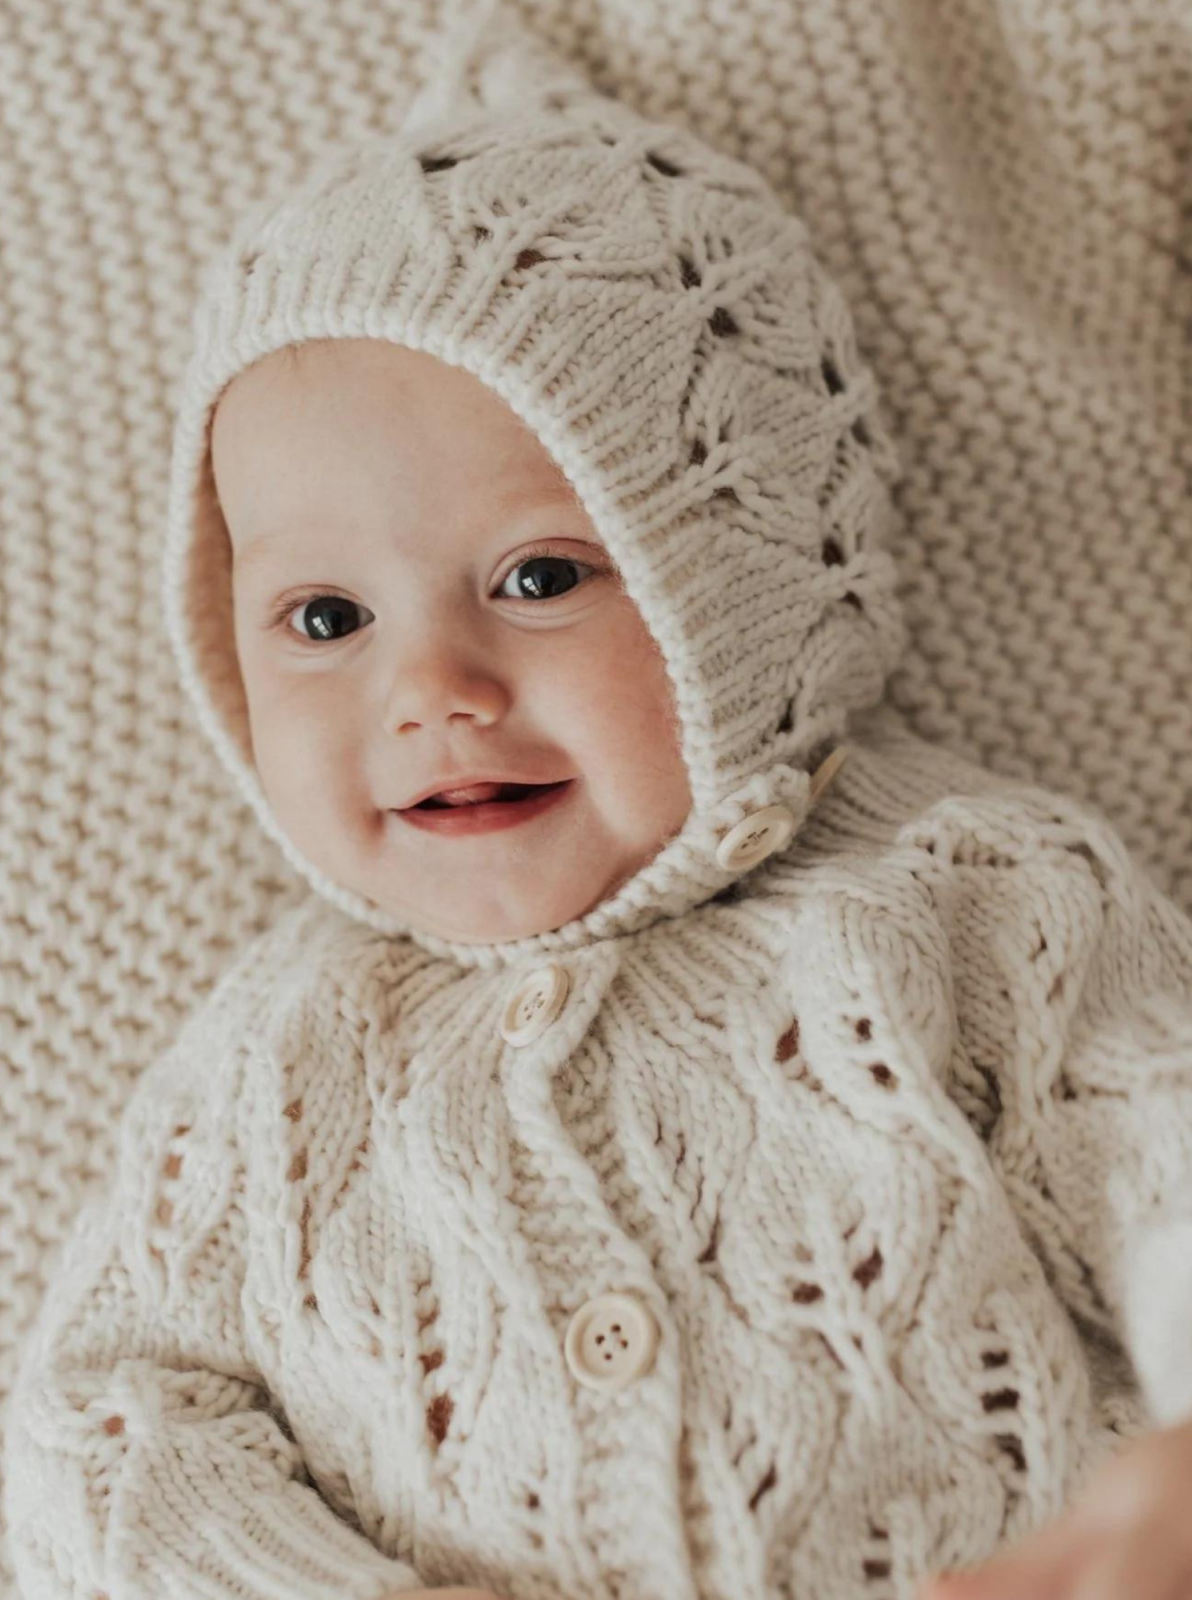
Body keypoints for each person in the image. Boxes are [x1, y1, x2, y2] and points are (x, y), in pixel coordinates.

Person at [6, 2, 1192, 1597]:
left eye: (537, 577)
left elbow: (1162, 1154)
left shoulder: (976, 898)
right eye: (326, 620)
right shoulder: (277, 1067)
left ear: (753, 579)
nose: (432, 690)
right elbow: (101, 1433)